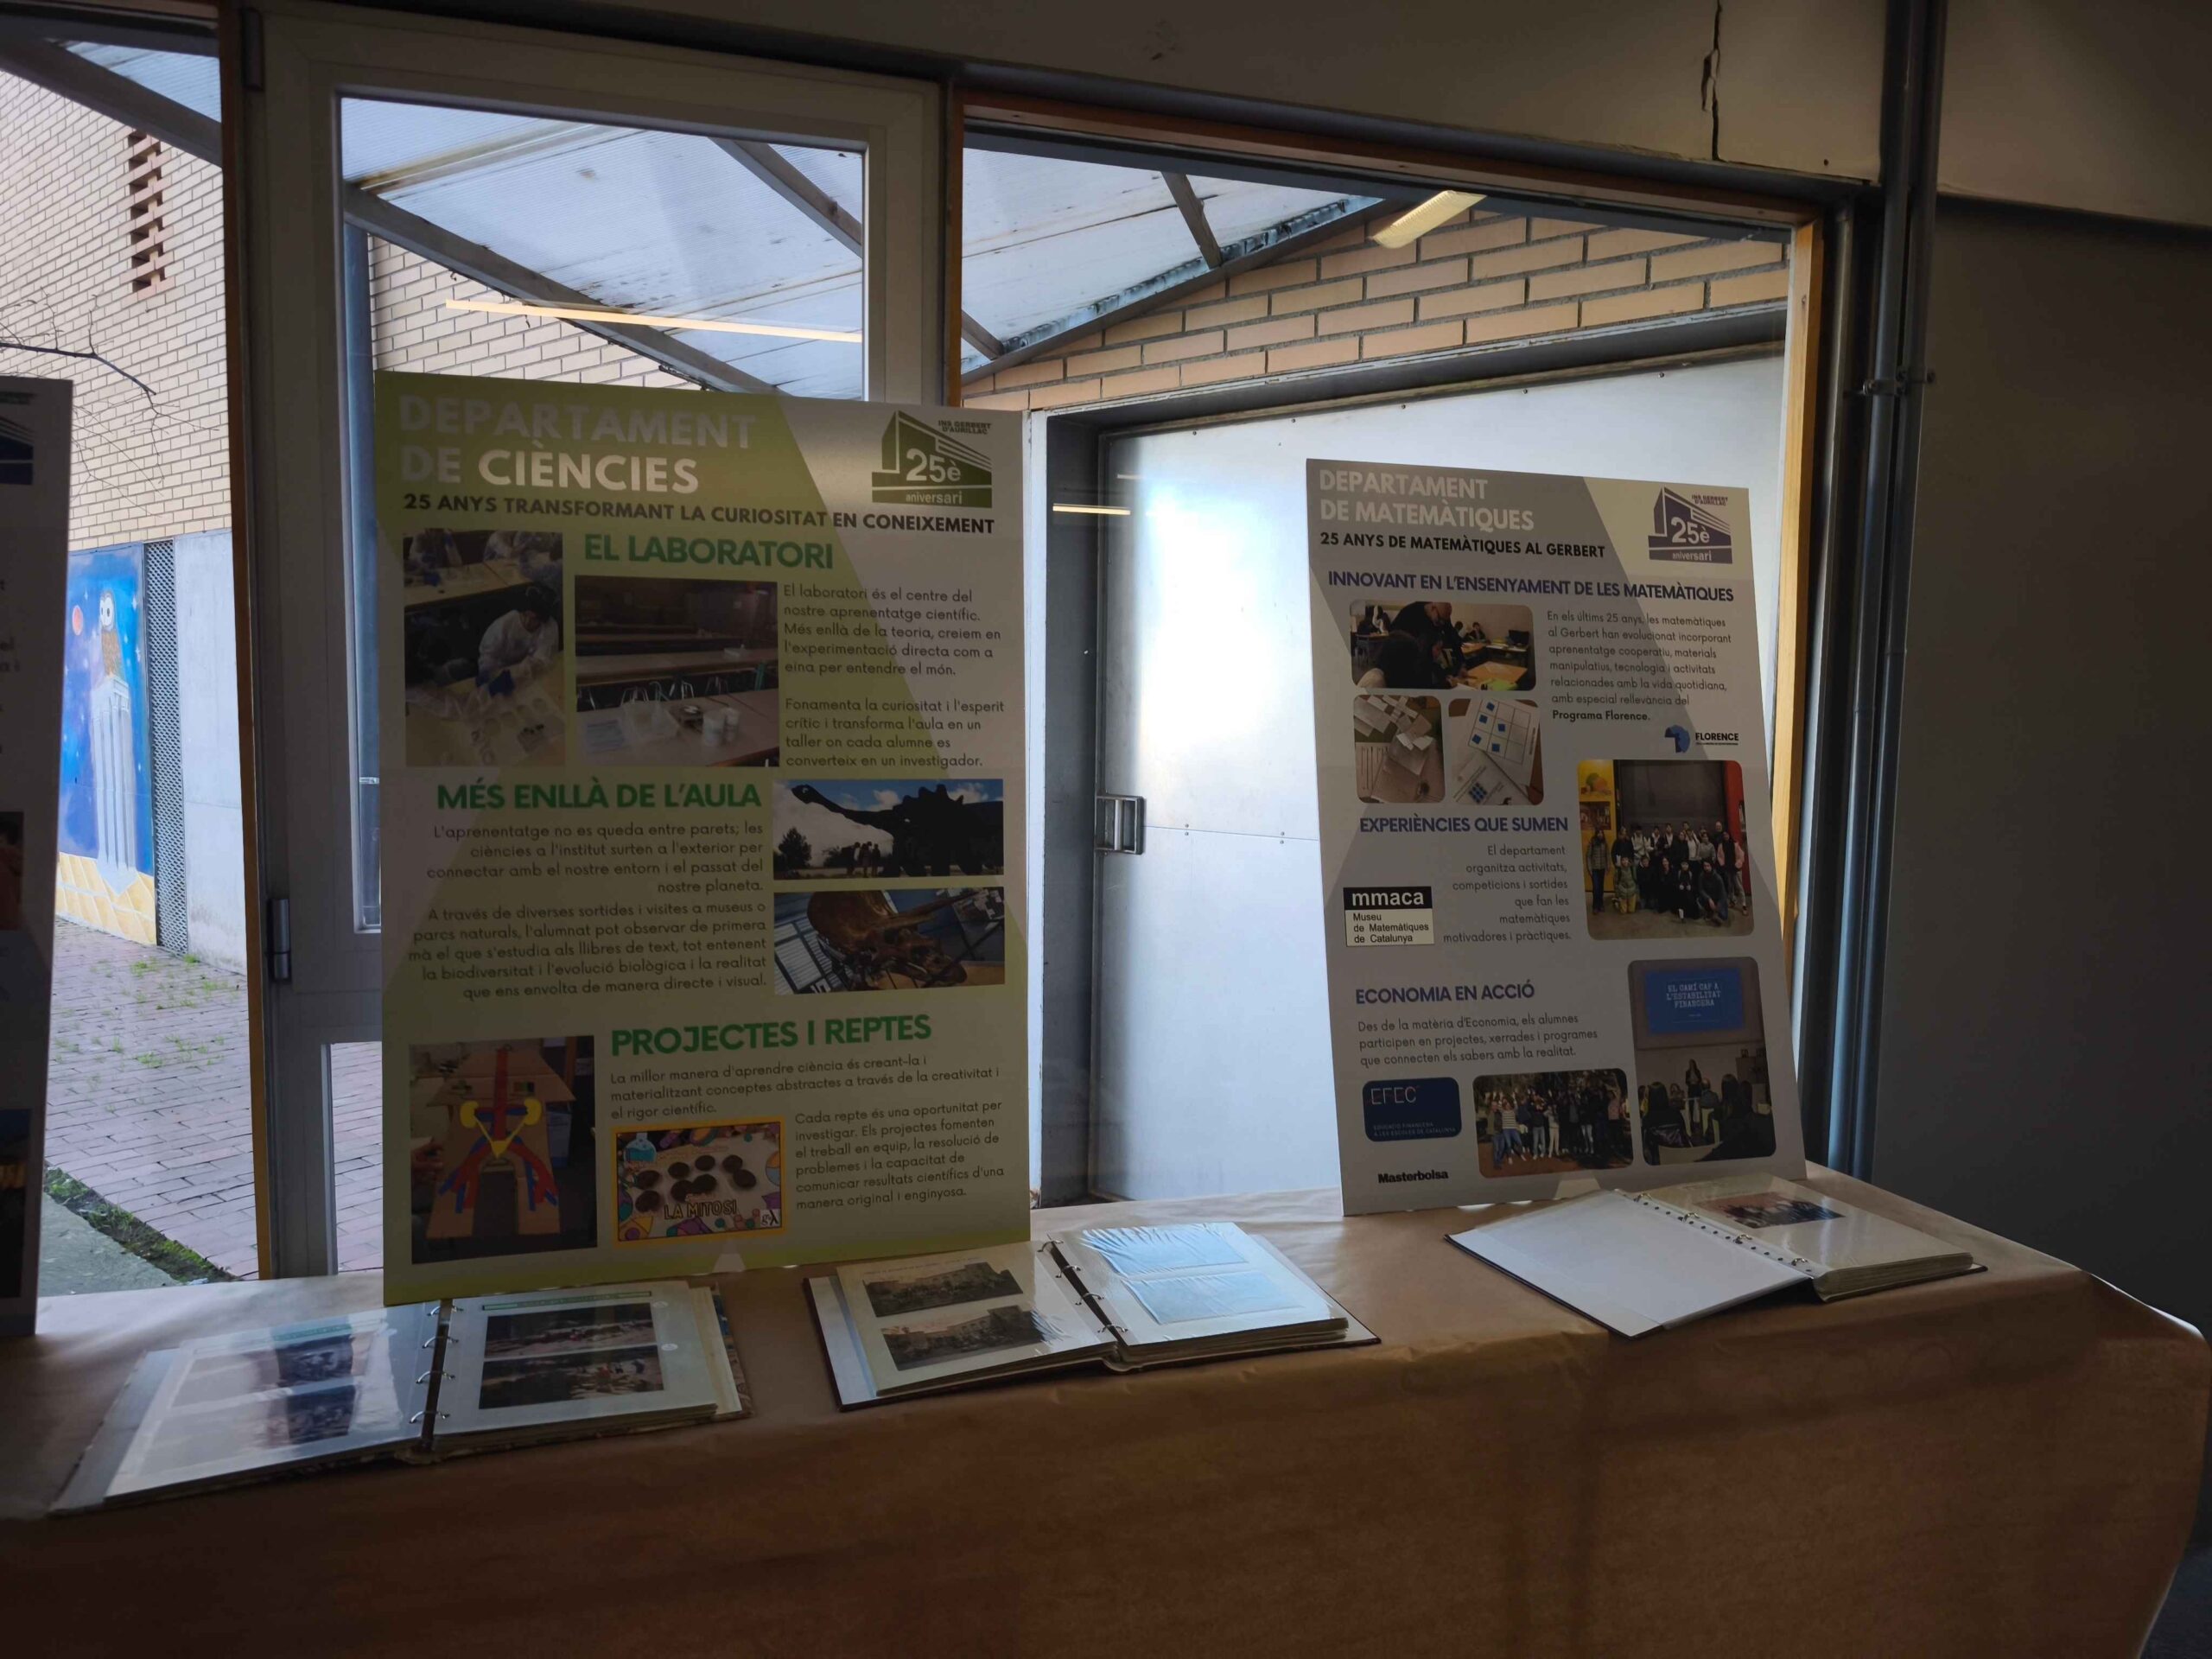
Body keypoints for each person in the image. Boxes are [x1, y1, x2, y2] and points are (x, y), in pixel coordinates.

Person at [477, 592, 559, 684]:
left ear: (542, 620)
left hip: (529, 676)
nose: (527, 622)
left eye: (534, 619)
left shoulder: (549, 627)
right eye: (525, 615)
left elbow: (542, 660)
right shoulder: (503, 625)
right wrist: (490, 676)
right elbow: (488, 657)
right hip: (500, 671)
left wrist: (518, 674)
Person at [1586, 828, 1611, 912]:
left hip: (1602, 868)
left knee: (1601, 888)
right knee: (1596, 888)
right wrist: (1589, 868)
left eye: (1601, 833)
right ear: (1596, 834)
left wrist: (1608, 866)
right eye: (1599, 833)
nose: (1600, 834)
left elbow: (1608, 855)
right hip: (1594, 869)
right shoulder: (1592, 843)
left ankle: (1601, 904)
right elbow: (1588, 856)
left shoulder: (1605, 843)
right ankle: (1595, 906)